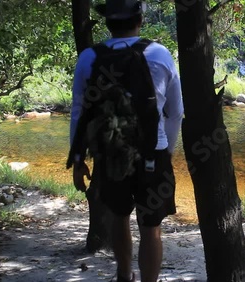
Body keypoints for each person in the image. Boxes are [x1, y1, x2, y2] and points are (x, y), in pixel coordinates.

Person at [69, 0, 184, 281]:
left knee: (119, 217)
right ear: (140, 19)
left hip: (110, 155)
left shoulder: (88, 58)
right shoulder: (160, 54)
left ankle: (124, 275)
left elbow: (78, 112)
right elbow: (176, 112)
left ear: (107, 22)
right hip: (152, 155)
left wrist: (77, 158)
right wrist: (166, 150)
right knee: (151, 225)